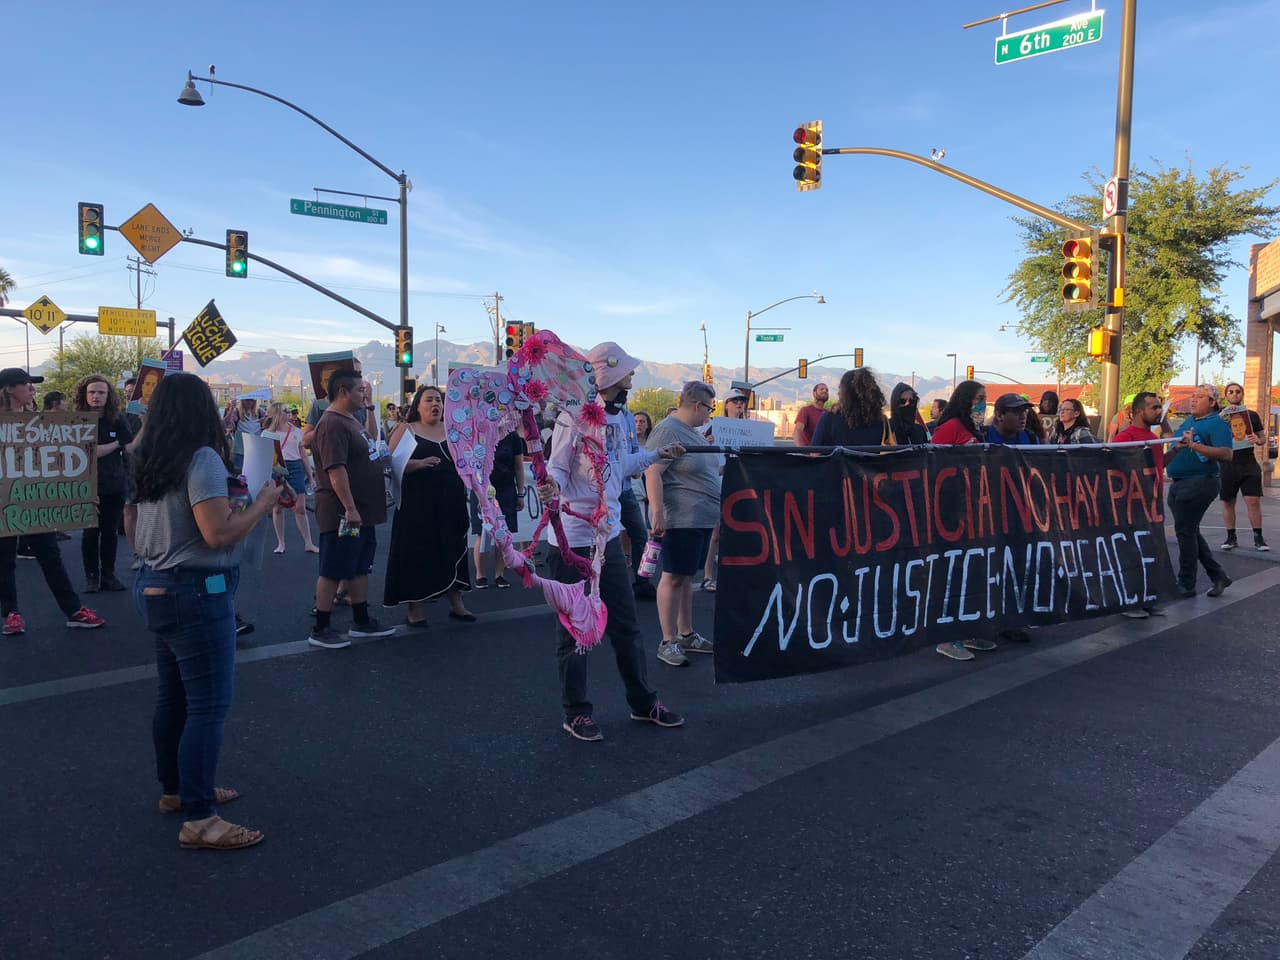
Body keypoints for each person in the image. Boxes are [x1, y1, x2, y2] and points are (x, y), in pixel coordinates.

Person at [130, 372, 280, 851]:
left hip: (156, 581)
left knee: (173, 698)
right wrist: (262, 503)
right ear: (201, 410)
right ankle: (200, 818)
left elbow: (134, 519)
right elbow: (217, 534)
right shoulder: (203, 459)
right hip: (196, 589)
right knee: (207, 707)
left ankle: (178, 790)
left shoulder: (146, 455)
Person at [541, 341, 687, 742]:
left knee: (626, 626)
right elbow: (555, 468)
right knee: (575, 634)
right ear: (607, 378)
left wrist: (658, 454)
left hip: (608, 545)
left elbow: (624, 465)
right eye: (627, 372)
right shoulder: (574, 420)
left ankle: (642, 702)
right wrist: (551, 487)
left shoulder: (621, 419)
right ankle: (577, 712)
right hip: (573, 544)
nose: (633, 377)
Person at [0, 369, 106, 636]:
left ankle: (73, 611)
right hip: (5, 502)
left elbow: (59, 462)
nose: (32, 390)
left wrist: (81, 493)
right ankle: (11, 613)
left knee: (50, 554)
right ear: (10, 389)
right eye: (27, 384)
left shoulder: (42, 423)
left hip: (36, 502)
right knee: (4, 559)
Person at [308, 370, 396, 649]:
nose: (365, 395)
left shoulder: (352, 421)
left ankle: (361, 620)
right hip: (343, 512)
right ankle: (321, 627)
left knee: (359, 566)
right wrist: (350, 508)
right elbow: (335, 469)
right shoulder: (332, 424)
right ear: (343, 392)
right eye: (360, 391)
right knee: (334, 568)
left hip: (363, 510)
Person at [383, 385, 475, 626]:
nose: (435, 404)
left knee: (454, 547)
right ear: (417, 406)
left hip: (451, 503)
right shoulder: (406, 429)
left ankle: (457, 603)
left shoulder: (453, 430)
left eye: (439, 400)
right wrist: (418, 464)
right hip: (417, 506)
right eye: (429, 400)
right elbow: (388, 464)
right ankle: (416, 608)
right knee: (418, 552)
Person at [645, 381, 722, 667]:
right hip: (682, 517)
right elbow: (653, 471)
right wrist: (657, 514)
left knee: (687, 577)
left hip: (701, 516)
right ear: (698, 406)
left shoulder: (693, 434)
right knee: (674, 576)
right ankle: (668, 640)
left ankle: (686, 632)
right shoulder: (667, 430)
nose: (709, 415)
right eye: (709, 408)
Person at [927, 380, 997, 661]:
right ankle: (946, 637)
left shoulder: (973, 428)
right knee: (952, 573)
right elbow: (932, 465)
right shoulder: (950, 427)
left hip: (972, 509)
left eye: (985, 398)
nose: (982, 403)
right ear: (965, 399)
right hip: (950, 511)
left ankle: (966, 629)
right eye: (978, 398)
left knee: (970, 572)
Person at [1167, 384, 1234, 598]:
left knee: (1185, 532)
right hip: (1178, 481)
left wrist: (1195, 446)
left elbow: (1226, 453)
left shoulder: (1217, 423)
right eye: (1192, 396)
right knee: (1190, 531)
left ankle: (1186, 583)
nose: (1193, 400)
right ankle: (1218, 575)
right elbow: (1174, 439)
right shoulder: (1190, 420)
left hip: (1199, 482)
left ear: (1212, 402)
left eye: (1199, 397)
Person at [74, 375, 133, 592]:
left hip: (114, 484)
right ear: (84, 394)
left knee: (109, 532)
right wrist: (116, 443)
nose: (96, 396)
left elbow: (130, 447)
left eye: (101, 392)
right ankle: (91, 577)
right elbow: (89, 453)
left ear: (108, 396)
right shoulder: (76, 421)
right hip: (87, 485)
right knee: (90, 533)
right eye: (92, 392)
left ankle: (108, 575)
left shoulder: (118, 420)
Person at [1114, 392, 1167, 619]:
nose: (1158, 412)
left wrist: (1177, 449)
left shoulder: (1152, 437)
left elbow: (1159, 465)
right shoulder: (1124, 437)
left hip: (1152, 504)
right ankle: (1129, 602)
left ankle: (1146, 599)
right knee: (1131, 554)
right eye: (1154, 408)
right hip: (1130, 506)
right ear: (1138, 411)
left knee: (1149, 552)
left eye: (1159, 407)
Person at [471, 429, 527, 589]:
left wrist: (520, 493)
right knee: (482, 532)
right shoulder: (478, 432)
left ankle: (499, 574)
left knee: (504, 533)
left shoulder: (513, 437)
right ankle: (480, 574)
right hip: (482, 490)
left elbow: (518, 466)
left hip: (506, 490)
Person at [1218, 382, 1269, 552]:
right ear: (1226, 395)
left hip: (1248, 463)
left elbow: (1262, 439)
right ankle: (1231, 537)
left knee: (1253, 501)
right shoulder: (1220, 416)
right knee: (1228, 502)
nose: (1234, 394)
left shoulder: (1252, 415)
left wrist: (1257, 439)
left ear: (1242, 394)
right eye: (1231, 392)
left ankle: (1259, 538)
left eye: (1237, 391)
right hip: (1228, 464)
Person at [262, 402, 318, 554]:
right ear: (278, 414)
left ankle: (308, 543)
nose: (289, 413)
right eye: (286, 410)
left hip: (294, 467)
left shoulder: (297, 432)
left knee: (299, 507)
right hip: (276, 469)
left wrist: (310, 476)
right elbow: (264, 457)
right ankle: (281, 543)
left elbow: (303, 456)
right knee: (277, 507)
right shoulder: (267, 434)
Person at [812, 368, 892, 446]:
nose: (838, 393)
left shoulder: (829, 419)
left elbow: (814, 455)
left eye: (840, 389)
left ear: (845, 394)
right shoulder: (882, 423)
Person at [223, 397, 262, 474]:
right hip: (241, 445)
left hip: (255, 444)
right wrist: (231, 408)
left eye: (252, 400)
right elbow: (226, 423)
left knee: (253, 469)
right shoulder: (237, 411)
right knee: (239, 469)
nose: (249, 402)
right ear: (242, 401)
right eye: (247, 400)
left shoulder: (260, 412)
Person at [792, 382, 829, 447]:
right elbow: (798, 430)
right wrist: (802, 451)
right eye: (821, 389)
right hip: (809, 454)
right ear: (814, 393)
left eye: (827, 390)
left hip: (826, 454)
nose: (825, 391)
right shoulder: (805, 410)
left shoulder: (829, 413)